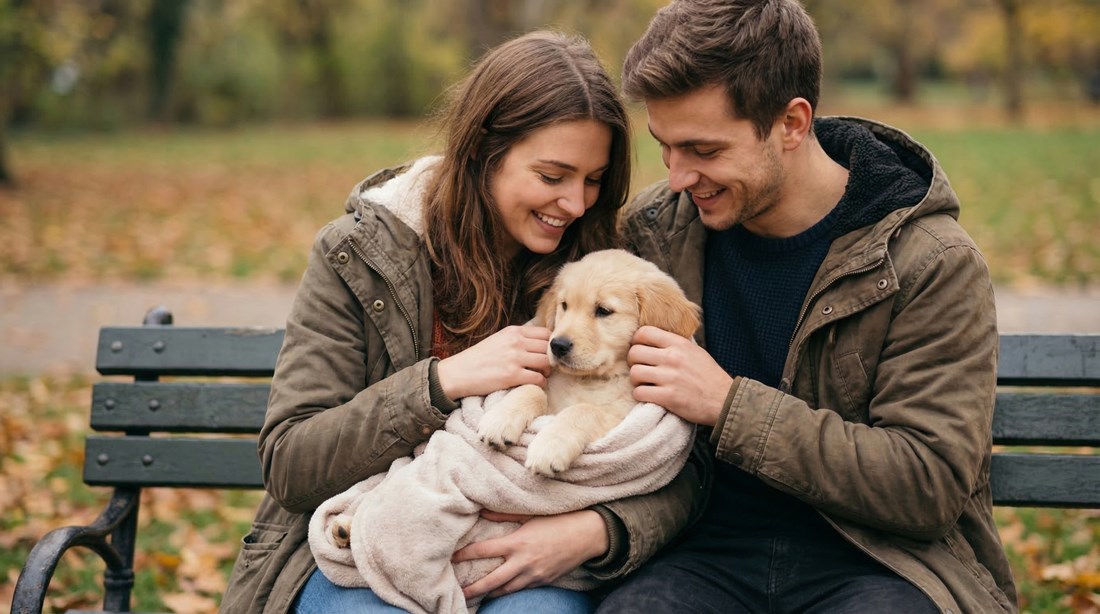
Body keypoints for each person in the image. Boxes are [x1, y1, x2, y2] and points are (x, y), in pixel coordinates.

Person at [220, 30, 702, 614]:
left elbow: (680, 457)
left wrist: (600, 532)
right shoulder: (359, 257)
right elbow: (291, 462)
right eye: (552, 177)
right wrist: (441, 384)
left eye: (593, 180)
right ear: (481, 154)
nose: (575, 204)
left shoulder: (607, 266)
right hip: (366, 544)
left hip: (537, 555)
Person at [595, 1, 1018, 612]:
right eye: (665, 147)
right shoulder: (656, 236)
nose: (679, 176)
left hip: (882, 563)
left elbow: (927, 484)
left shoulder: (929, 262)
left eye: (704, 150)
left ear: (792, 124)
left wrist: (729, 406)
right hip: (697, 557)